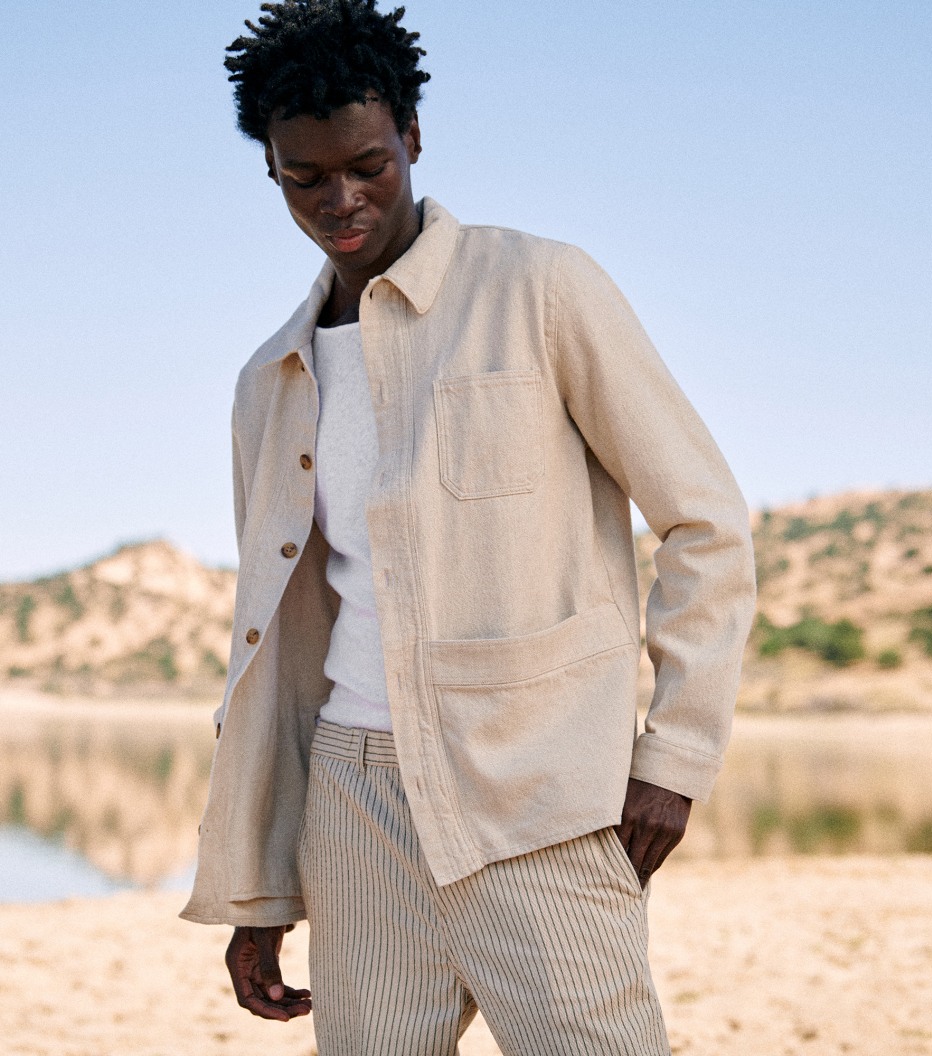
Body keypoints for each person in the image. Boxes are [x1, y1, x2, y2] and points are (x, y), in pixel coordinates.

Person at [181, 1, 756, 1052]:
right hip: (350, 799)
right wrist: (258, 884)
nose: (342, 200)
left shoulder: (540, 289)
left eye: (367, 165)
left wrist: (674, 757)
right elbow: (273, 647)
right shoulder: (271, 379)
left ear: (412, 135)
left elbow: (706, 523)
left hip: (536, 790)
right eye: (306, 178)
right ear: (270, 169)